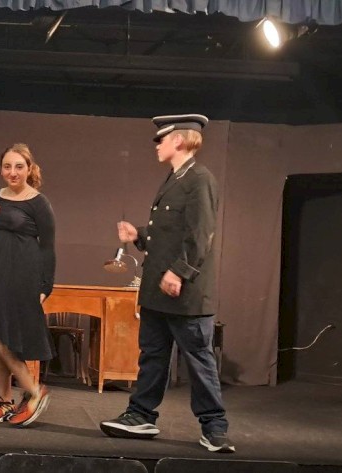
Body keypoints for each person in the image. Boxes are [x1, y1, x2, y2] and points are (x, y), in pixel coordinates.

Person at [99, 114, 234, 453]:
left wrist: (179, 272)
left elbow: (200, 234)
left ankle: (214, 428)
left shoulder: (200, 179)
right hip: (157, 290)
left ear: (179, 140)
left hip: (185, 292)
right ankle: (141, 415)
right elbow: (168, 233)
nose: (157, 145)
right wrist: (138, 235)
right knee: (153, 356)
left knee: (199, 359)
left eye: (162, 139)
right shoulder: (174, 179)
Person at [0, 143, 55, 427]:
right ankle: (4, 400)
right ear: (1, 169)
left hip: (23, 278)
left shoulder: (38, 203)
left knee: (5, 339)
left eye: (19, 166)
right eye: (7, 166)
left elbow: (48, 248)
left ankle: (34, 390)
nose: (13, 172)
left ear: (29, 169)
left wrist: (45, 285)